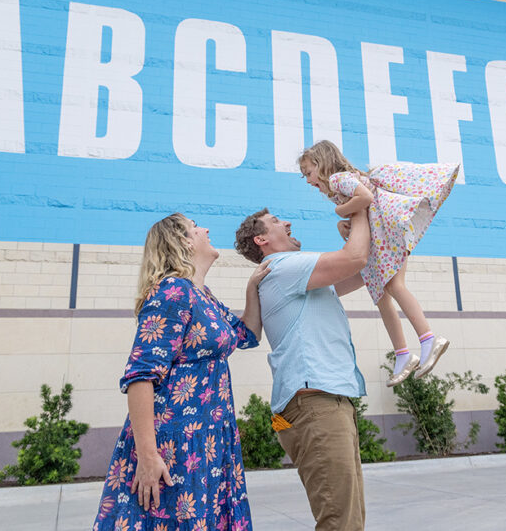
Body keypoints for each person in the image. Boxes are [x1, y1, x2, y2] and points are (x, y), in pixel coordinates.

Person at [94, 213, 268, 531]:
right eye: (195, 227)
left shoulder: (203, 296)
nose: (205, 229)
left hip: (210, 440)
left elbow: (247, 336)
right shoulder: (172, 292)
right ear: (184, 242)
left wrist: (253, 285)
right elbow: (140, 377)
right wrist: (148, 456)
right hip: (174, 444)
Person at [234, 207, 370, 531]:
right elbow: (356, 260)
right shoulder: (283, 267)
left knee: (348, 520)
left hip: (326, 402)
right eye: (277, 222)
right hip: (317, 405)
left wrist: (361, 234)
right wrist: (361, 208)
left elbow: (368, 269)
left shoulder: (296, 277)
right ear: (262, 239)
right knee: (341, 523)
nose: (288, 222)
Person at [297, 140, 457, 387]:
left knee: (395, 287)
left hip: (384, 235)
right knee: (382, 296)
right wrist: (346, 221)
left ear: (321, 164)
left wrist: (341, 212)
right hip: (380, 236)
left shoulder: (339, 179)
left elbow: (366, 196)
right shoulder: (342, 185)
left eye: (308, 173)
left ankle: (428, 338)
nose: (308, 180)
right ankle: (403, 354)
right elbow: (364, 207)